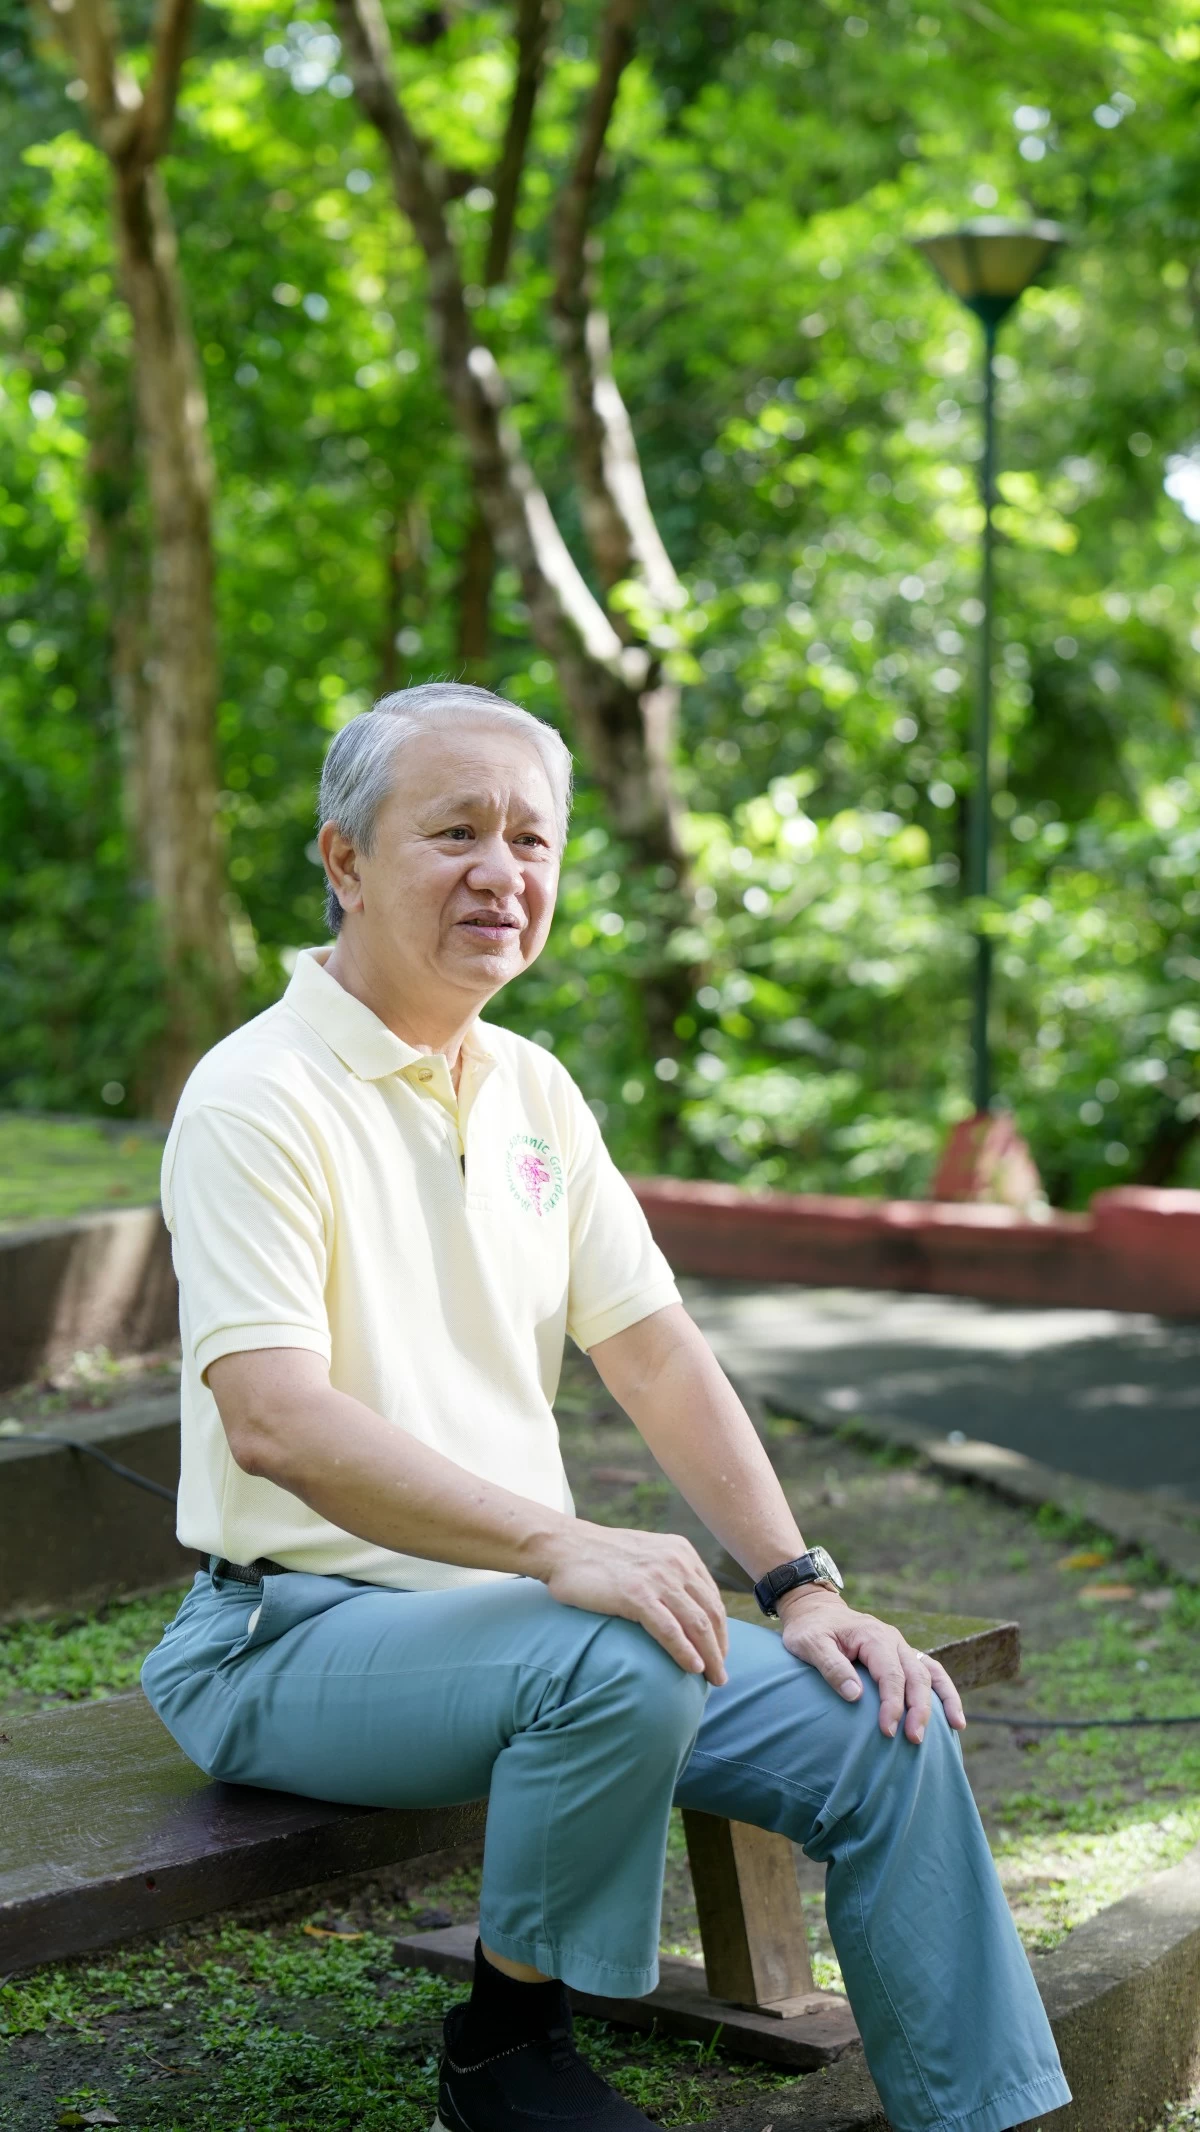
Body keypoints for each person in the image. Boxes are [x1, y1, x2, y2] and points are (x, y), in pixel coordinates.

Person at [142, 683, 1070, 2132]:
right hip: (286, 1640)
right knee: (616, 1642)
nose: (500, 873)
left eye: (532, 840)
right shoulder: (256, 1094)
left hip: (532, 1638)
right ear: (345, 860)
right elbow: (275, 1421)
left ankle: (985, 2119)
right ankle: (508, 2051)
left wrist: (803, 1587)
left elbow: (656, 1354)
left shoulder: (533, 1089)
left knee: (885, 1727)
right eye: (455, 832)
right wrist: (565, 1546)